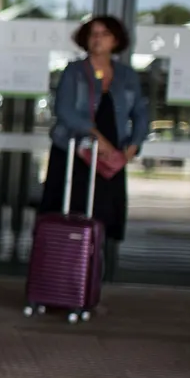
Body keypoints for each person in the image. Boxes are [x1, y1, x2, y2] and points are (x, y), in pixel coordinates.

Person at [45, 16, 148, 282]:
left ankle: (88, 285)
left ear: (116, 40)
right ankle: (60, 282)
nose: (97, 38)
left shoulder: (126, 76)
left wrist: (133, 145)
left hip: (109, 157)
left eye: (104, 33)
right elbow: (65, 110)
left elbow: (141, 112)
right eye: (92, 33)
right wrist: (94, 135)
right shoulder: (74, 71)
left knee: (101, 220)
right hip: (74, 153)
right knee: (67, 216)